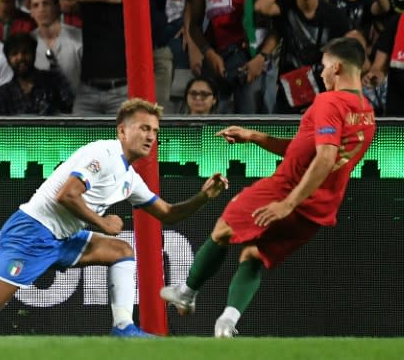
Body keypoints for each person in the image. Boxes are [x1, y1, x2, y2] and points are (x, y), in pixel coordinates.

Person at [0, 98, 229, 337]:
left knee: (121, 251)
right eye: (144, 128)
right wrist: (102, 222)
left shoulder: (130, 177)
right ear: (122, 130)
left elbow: (167, 214)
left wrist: (202, 196)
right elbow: (66, 193)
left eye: (155, 132)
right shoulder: (102, 152)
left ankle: (123, 327)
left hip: (62, 238)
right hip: (34, 231)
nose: (151, 137)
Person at [161, 36, 375, 337]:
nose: (322, 74)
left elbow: (325, 157)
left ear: (337, 67)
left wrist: (287, 203)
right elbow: (307, 151)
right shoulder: (367, 113)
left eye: (325, 67)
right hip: (320, 209)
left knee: (224, 227)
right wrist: (255, 137)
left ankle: (186, 291)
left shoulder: (330, 101)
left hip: (287, 191)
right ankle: (227, 323)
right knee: (254, 255)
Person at [0, 32, 75, 115]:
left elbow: (72, 113)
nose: (21, 57)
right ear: (8, 60)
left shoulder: (55, 80)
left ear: (34, 54)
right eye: (14, 53)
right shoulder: (2, 94)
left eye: (25, 52)